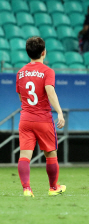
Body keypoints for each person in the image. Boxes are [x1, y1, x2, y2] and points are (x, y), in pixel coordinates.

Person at [16, 37, 66, 197]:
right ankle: (53, 187)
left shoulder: (20, 72)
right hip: (43, 118)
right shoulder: (47, 71)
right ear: (44, 52)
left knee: (24, 155)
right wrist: (59, 111)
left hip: (25, 119)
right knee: (50, 153)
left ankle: (26, 189)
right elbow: (50, 91)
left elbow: (21, 97)